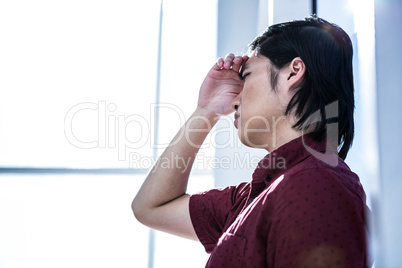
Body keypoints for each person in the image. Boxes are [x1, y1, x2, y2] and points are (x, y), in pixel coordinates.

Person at [132, 16, 371, 267]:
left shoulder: (317, 186)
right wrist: (206, 110)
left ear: (293, 72)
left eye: (245, 76)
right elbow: (150, 206)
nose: (235, 99)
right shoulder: (255, 197)